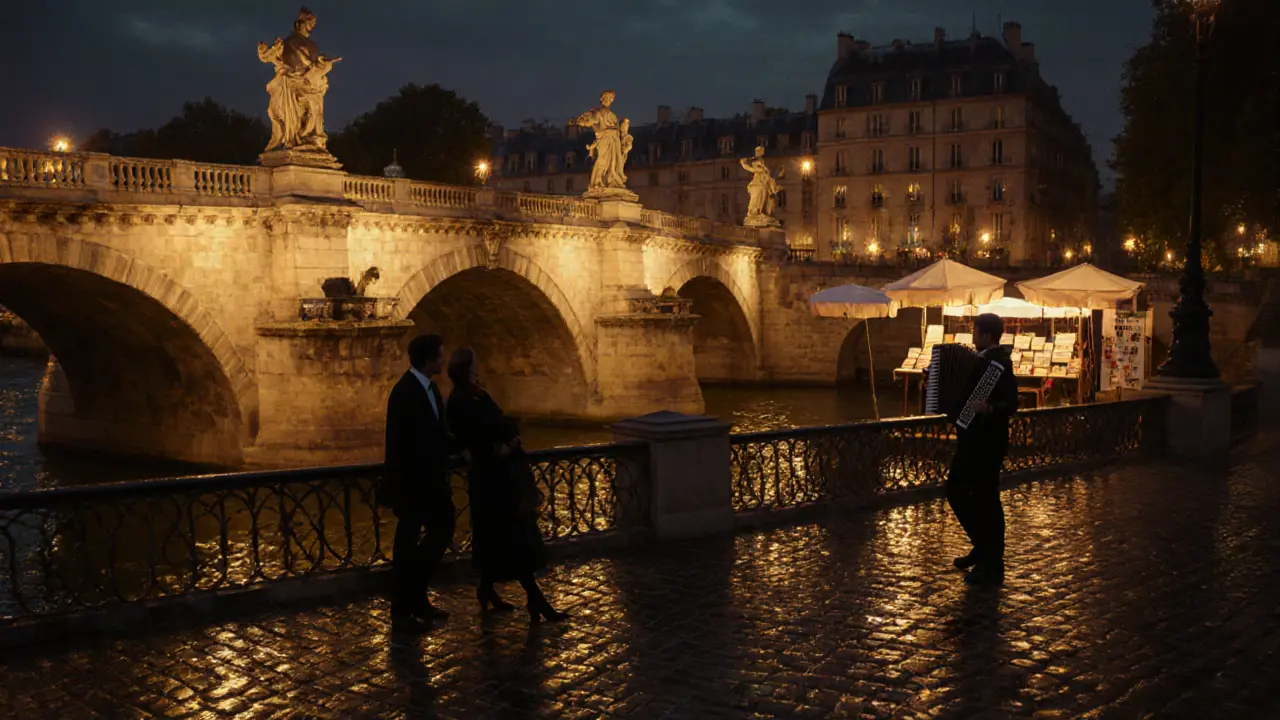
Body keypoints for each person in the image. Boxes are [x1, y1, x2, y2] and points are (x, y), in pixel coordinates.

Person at [445, 348, 568, 624]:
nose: (479, 364)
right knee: (512, 538)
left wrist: (510, 437)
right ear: (467, 368)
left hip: (502, 476)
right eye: (476, 361)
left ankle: (487, 589)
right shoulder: (460, 400)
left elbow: (498, 422)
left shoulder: (476, 394)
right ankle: (535, 599)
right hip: (490, 479)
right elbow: (474, 436)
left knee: (498, 537)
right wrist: (503, 445)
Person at [382, 334, 455, 626]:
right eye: (440, 355)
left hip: (433, 482)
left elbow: (439, 433)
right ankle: (404, 606)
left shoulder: (432, 389)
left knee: (441, 532)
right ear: (429, 359)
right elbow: (398, 445)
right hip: (413, 486)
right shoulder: (405, 392)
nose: (443, 360)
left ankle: (415, 596)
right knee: (408, 546)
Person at [946, 313, 1018, 585]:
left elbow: (1011, 403)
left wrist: (989, 409)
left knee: (987, 500)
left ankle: (992, 562)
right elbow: (960, 396)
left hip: (988, 442)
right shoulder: (978, 361)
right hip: (970, 439)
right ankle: (982, 546)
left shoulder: (1000, 363)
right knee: (956, 491)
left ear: (986, 335)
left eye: (975, 331)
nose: (973, 336)